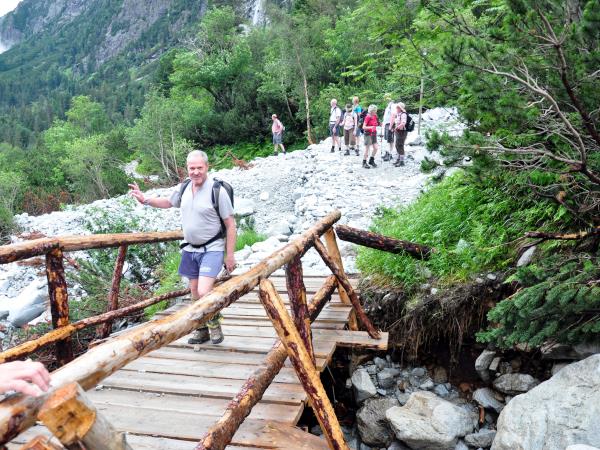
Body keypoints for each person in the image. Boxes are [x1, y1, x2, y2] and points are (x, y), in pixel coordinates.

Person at [129, 150, 236, 345]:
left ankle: (214, 323)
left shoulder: (217, 191)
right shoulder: (185, 187)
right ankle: (201, 329)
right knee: (194, 291)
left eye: (199, 168)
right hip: (190, 249)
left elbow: (230, 224)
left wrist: (230, 256)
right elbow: (169, 202)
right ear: (187, 169)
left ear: (207, 167)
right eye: (191, 168)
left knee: (204, 291)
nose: (195, 172)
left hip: (212, 247)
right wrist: (145, 199)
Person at [362, 104, 379, 169]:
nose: (375, 112)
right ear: (371, 111)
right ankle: (364, 162)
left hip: (374, 133)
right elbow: (364, 127)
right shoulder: (368, 117)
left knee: (376, 148)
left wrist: (378, 124)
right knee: (367, 149)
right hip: (368, 134)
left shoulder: (375, 116)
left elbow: (376, 123)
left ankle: (371, 160)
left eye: (375, 111)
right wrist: (371, 127)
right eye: (374, 111)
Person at [391, 102, 408, 167]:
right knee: (397, 145)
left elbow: (403, 123)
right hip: (398, 131)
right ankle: (398, 159)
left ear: (401, 108)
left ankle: (401, 161)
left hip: (402, 132)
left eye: (398, 107)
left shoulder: (403, 114)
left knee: (400, 145)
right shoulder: (398, 114)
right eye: (396, 107)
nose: (396, 108)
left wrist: (397, 128)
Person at [382, 94, 395, 162]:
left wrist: (391, 125)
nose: (386, 99)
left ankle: (390, 154)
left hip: (390, 124)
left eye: (387, 98)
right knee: (388, 139)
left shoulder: (392, 105)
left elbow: (393, 115)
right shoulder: (388, 106)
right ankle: (388, 152)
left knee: (390, 139)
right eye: (385, 98)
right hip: (387, 124)